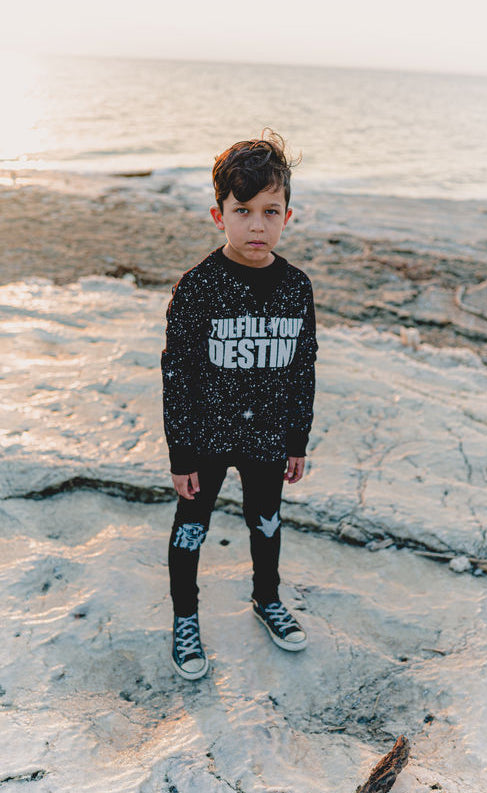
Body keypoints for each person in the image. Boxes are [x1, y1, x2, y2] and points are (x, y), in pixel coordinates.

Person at [161, 131, 317, 680]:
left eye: (270, 211)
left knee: (267, 522)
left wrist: (297, 440)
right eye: (243, 211)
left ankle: (266, 598)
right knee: (191, 529)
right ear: (219, 215)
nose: (257, 225)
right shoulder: (198, 287)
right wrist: (181, 455)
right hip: (205, 438)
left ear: (287, 216)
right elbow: (176, 376)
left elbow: (303, 369)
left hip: (267, 437)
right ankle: (185, 617)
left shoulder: (296, 288)